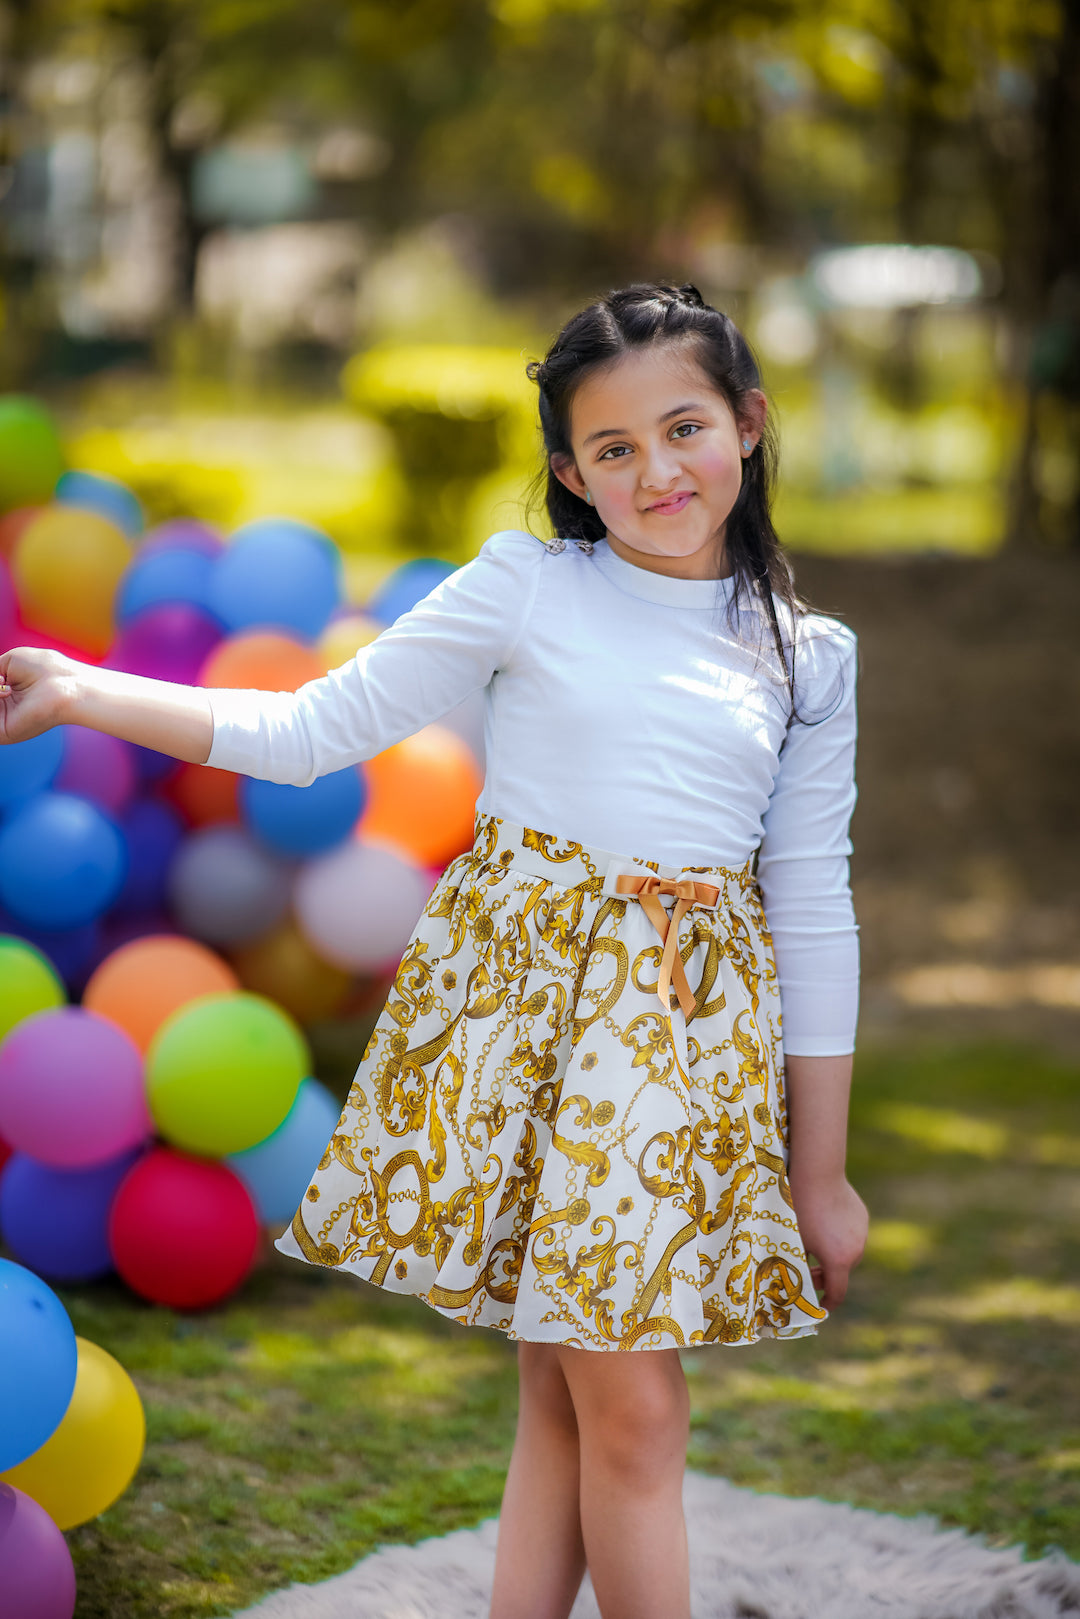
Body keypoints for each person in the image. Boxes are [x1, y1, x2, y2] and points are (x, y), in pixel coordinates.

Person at [0, 281, 868, 1619]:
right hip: (523, 1022)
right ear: (571, 471)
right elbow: (305, 735)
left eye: (684, 427)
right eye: (614, 450)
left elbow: (812, 904)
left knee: (601, 1407)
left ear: (747, 425)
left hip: (676, 1052)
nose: (657, 471)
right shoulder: (529, 585)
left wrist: (822, 1175)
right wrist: (79, 686)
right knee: (599, 1401)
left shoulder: (810, 658)